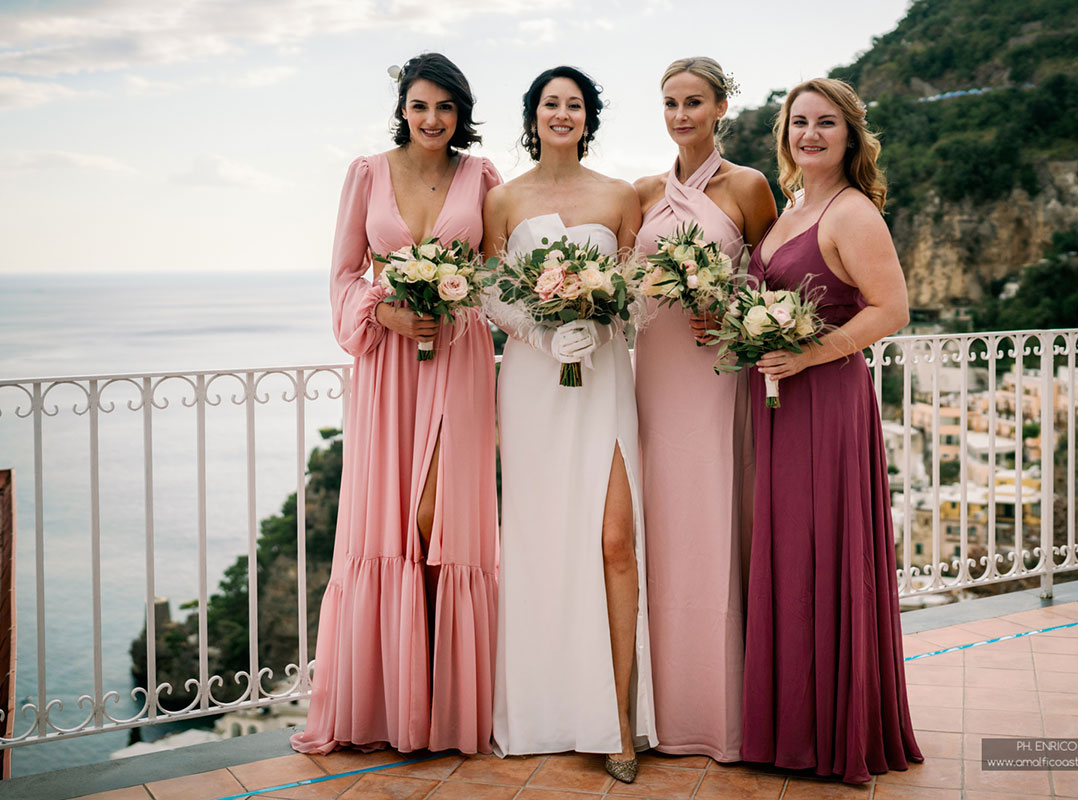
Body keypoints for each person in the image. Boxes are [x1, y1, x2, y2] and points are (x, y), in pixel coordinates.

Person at [290, 53, 502, 756]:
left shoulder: (482, 177)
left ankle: (448, 704)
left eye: (445, 107)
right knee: (394, 528)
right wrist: (383, 314)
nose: (432, 119)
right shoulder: (366, 174)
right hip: (389, 368)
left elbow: (498, 270)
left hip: (461, 356)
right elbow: (345, 273)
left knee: (440, 519)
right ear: (402, 108)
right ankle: (395, 705)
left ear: (459, 112)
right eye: (420, 105)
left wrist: (465, 299)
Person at [740, 77, 923, 783]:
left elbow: (892, 308)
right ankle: (792, 727)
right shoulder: (793, 207)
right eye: (798, 122)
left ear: (850, 136)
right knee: (789, 553)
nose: (808, 134)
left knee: (824, 550)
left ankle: (830, 732)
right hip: (780, 399)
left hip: (827, 401)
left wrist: (811, 352)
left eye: (824, 123)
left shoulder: (850, 212)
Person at [482, 65, 656, 783]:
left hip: (605, 375)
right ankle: (544, 712)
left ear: (589, 118)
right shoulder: (503, 199)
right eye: (551, 103)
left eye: (574, 104)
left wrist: (605, 318)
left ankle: (618, 723)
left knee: (617, 541)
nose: (563, 113)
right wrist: (541, 332)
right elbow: (492, 293)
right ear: (533, 115)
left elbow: (640, 293)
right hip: (532, 383)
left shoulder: (619, 196)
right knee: (540, 544)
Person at [631, 56, 775, 762]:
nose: (681, 115)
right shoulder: (640, 194)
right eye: (670, 103)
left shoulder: (748, 186)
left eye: (694, 102)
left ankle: (721, 710)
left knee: (716, 520)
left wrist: (729, 308)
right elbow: (626, 284)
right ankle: (656, 708)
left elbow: (778, 283)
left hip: (718, 374)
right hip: (654, 375)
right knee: (658, 524)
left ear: (721, 107)